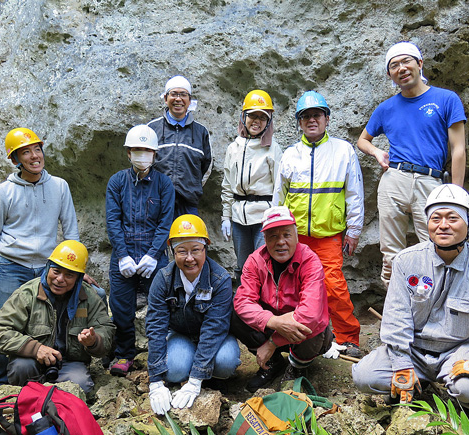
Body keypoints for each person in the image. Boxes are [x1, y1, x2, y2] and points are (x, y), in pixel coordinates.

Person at [351, 184, 469, 427]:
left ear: (468, 223)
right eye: (436, 218)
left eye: (452, 218)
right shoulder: (406, 260)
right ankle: (417, 381)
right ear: (427, 223)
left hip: (460, 349)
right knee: (364, 376)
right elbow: (396, 316)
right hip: (414, 348)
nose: (443, 224)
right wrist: (402, 363)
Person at [0, 127, 82, 385]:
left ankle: (40, 374)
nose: (34, 156)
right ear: (15, 160)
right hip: (10, 267)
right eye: (25, 152)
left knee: (47, 322)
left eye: (37, 150)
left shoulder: (59, 187)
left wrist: (76, 269)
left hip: (47, 268)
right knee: (2, 323)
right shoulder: (3, 192)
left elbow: (71, 231)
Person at [356, 41, 467, 288]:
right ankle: (398, 309)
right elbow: (362, 140)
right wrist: (376, 152)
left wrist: (456, 195)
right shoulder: (386, 108)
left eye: (406, 61)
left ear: (419, 63)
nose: (401, 68)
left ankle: (436, 306)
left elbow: (458, 149)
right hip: (394, 179)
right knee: (391, 253)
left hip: (431, 181)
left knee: (437, 246)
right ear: (389, 74)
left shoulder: (446, 99)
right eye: (394, 65)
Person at [273, 91, 364, 357]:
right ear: (299, 122)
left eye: (316, 115)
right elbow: (279, 197)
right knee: (292, 288)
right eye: (306, 116)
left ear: (326, 118)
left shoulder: (343, 150)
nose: (311, 120)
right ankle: (295, 335)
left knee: (332, 285)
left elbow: (355, 192)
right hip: (294, 236)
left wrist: (354, 229)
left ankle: (348, 337)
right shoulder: (290, 154)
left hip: (328, 235)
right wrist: (276, 233)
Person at [231, 206, 340, 393]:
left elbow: (310, 314)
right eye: (273, 236)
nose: (281, 242)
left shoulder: (310, 261)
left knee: (310, 326)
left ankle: (297, 367)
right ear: (264, 239)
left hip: (301, 331)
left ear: (296, 236)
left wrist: (272, 343)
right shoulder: (255, 261)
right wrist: (273, 321)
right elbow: (242, 301)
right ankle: (272, 364)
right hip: (274, 323)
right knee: (234, 315)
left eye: (286, 235)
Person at [0, 241, 115, 394]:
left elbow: (106, 332)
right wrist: (35, 348)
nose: (60, 279)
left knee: (82, 385)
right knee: (20, 368)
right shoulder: (27, 294)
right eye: (56, 271)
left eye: (69, 275)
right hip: (31, 360)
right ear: (47, 268)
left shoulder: (90, 298)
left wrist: (94, 341)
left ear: (79, 278)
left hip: (69, 363)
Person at [146, 215, 240, 414]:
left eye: (196, 250)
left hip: (215, 338)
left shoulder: (220, 280)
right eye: (182, 251)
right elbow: (155, 326)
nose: (190, 258)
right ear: (173, 252)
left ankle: (206, 376)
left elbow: (214, 329)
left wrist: (196, 380)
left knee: (226, 362)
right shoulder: (163, 280)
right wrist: (155, 380)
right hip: (181, 335)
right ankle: (190, 369)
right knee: (174, 369)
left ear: (205, 249)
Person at [106, 124, 175, 376]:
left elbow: (165, 222)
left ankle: (160, 355)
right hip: (123, 254)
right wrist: (123, 256)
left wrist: (153, 255)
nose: (142, 155)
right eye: (137, 150)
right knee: (122, 309)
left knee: (161, 307)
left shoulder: (164, 184)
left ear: (155, 154)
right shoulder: (117, 182)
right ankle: (125, 354)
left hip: (154, 255)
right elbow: (113, 221)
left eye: (147, 150)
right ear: (128, 153)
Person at [221, 89, 283, 284]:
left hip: (264, 216)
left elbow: (280, 187)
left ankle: (265, 310)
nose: (256, 121)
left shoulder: (273, 148)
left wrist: (276, 216)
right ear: (243, 117)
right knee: (243, 264)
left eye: (262, 117)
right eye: (252, 116)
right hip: (239, 216)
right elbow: (227, 184)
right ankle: (244, 307)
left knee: (264, 263)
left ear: (268, 121)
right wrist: (226, 216)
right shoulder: (234, 148)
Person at [147, 75, 213, 219]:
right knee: (157, 241)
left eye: (183, 95)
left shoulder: (201, 132)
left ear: (189, 100)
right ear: (165, 98)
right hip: (155, 202)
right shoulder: (152, 129)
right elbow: (143, 162)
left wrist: (192, 187)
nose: (178, 99)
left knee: (187, 241)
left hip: (188, 203)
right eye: (174, 94)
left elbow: (206, 167)